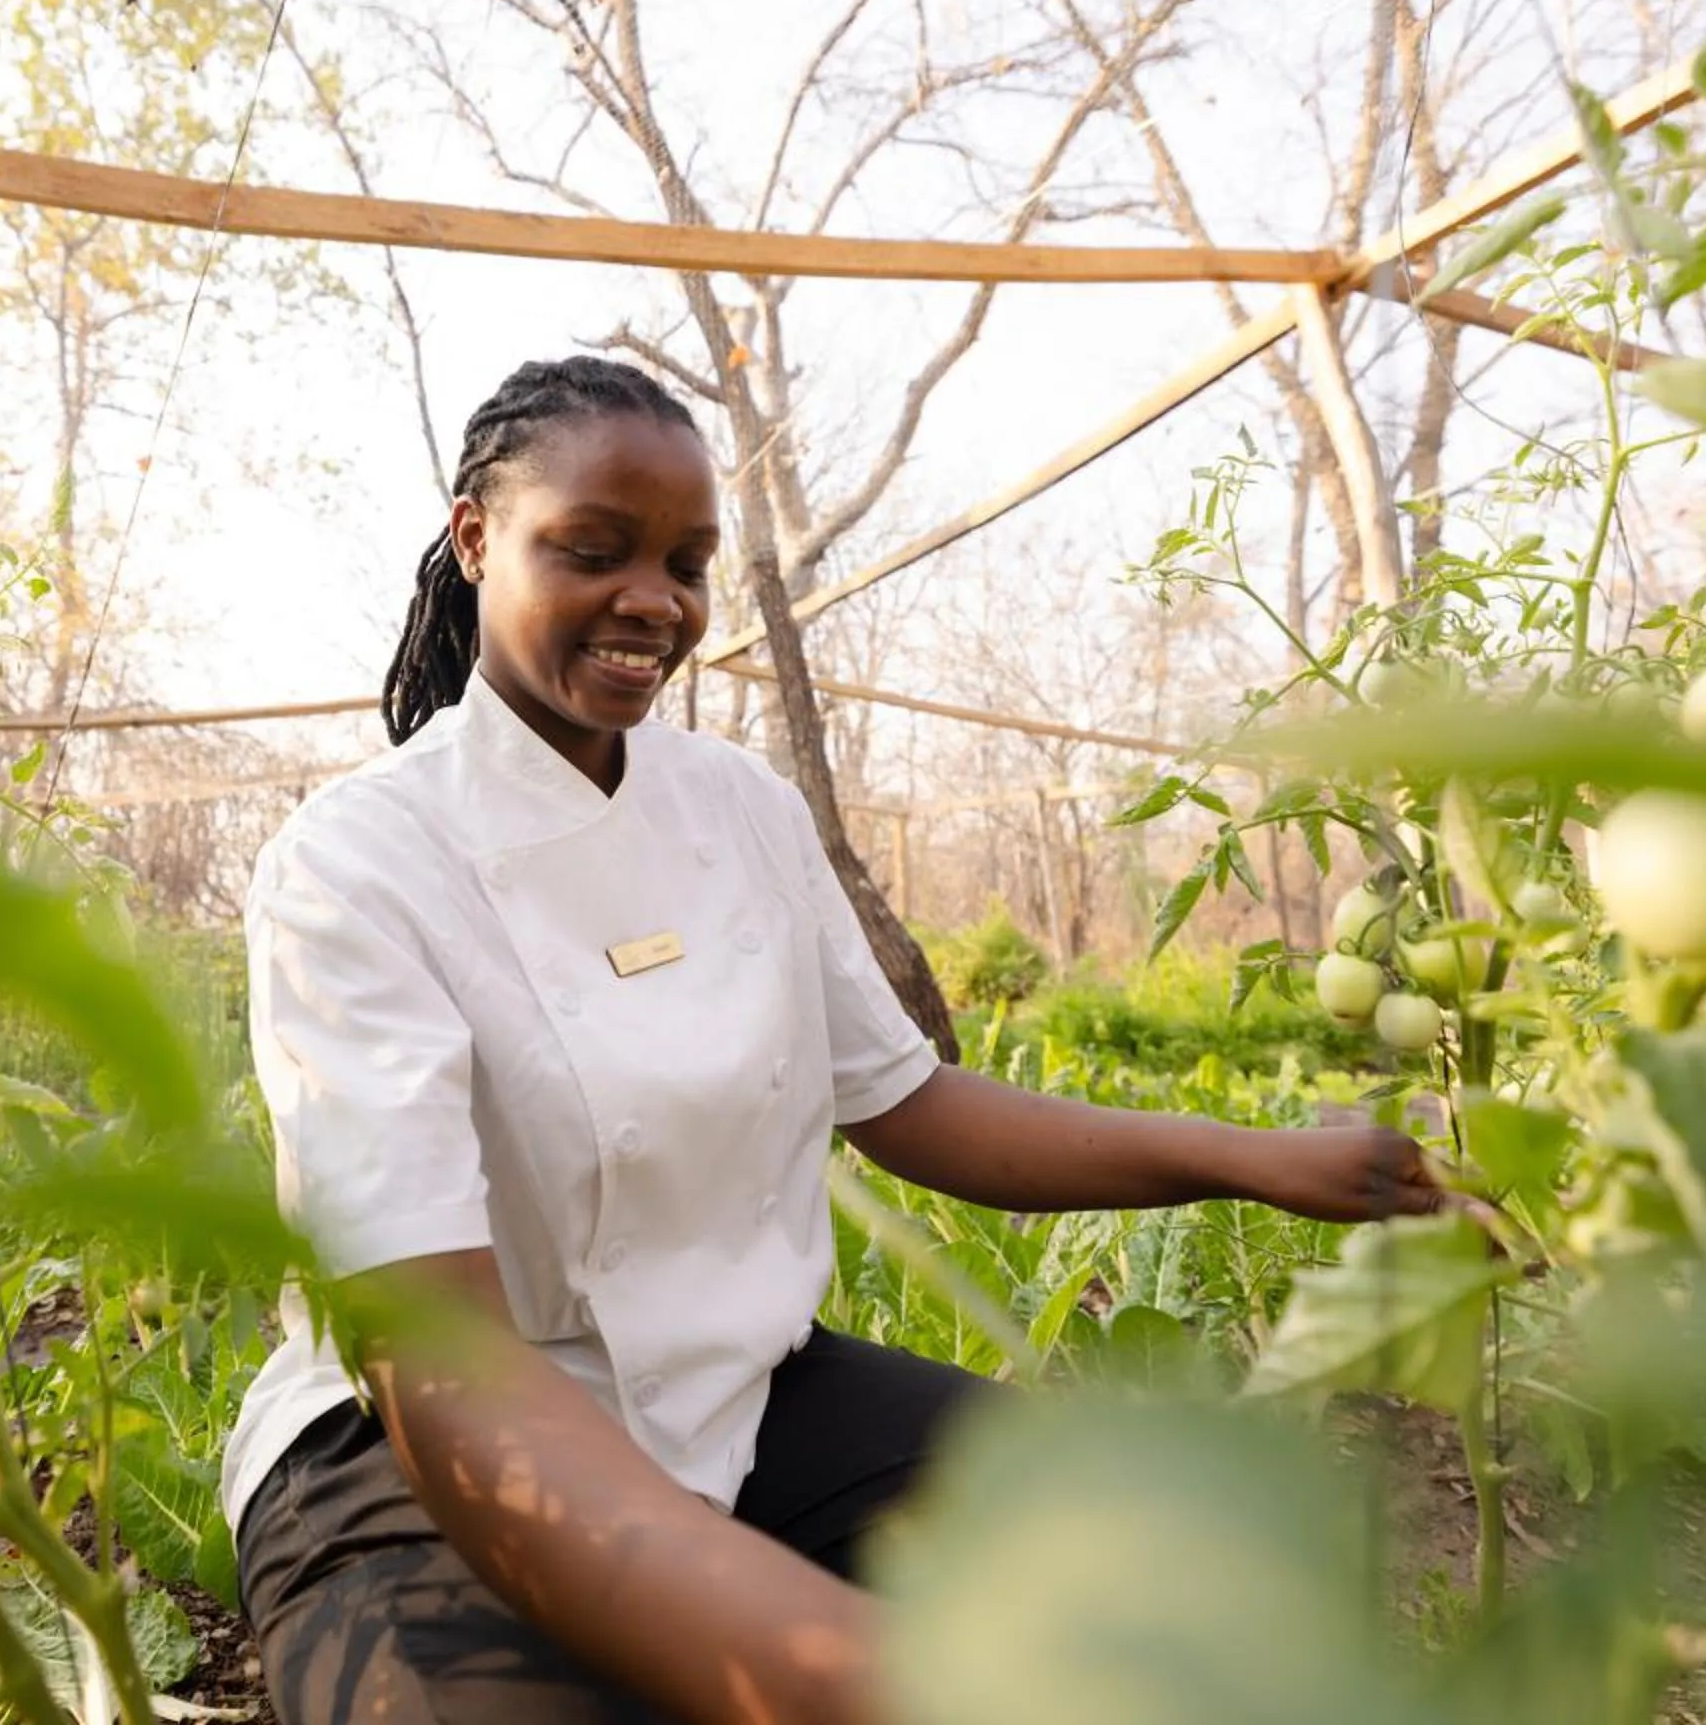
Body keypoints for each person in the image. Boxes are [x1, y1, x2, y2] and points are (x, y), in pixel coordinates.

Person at [222, 355, 1456, 1724]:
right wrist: (837, 1662)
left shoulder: (736, 806)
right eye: (594, 549)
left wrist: (1257, 1157)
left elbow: (906, 1101)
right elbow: (442, 1365)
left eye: (688, 564)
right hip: (420, 1459)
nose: (656, 600)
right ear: (474, 540)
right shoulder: (360, 860)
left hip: (739, 1396)